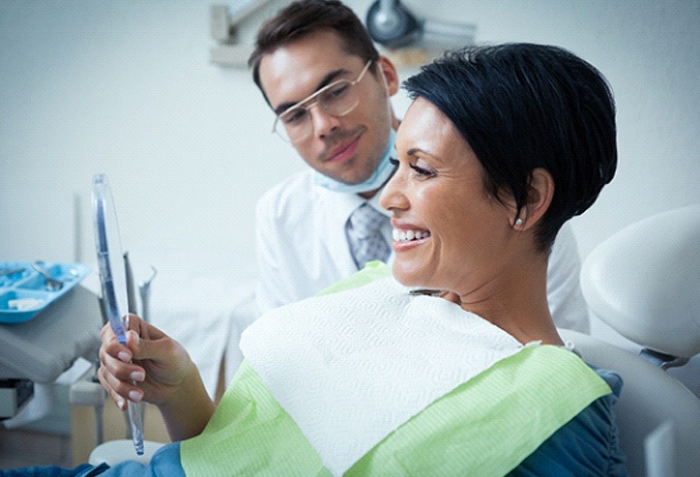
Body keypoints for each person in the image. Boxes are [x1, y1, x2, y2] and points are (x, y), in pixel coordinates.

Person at [15, 42, 625, 475]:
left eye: (422, 169)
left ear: (526, 198)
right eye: (399, 165)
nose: (388, 197)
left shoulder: (555, 412)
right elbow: (236, 455)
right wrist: (182, 389)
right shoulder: (368, 293)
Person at [249, 0, 590, 333]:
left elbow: (557, 348)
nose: (323, 126)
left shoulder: (513, 209)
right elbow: (280, 348)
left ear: (385, 76)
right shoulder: (279, 215)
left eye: (336, 92)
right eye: (295, 116)